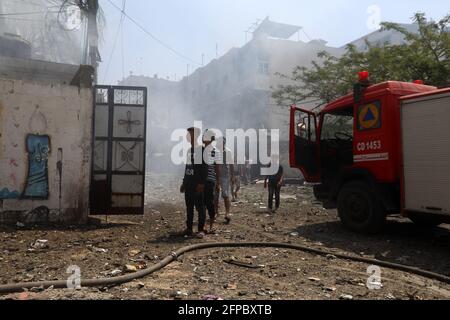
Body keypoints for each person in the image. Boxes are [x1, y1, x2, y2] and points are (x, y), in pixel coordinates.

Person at [180, 127, 207, 238]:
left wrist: (201, 183)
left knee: (200, 207)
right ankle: (189, 229)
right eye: (188, 134)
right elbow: (187, 168)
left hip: (197, 184)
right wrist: (184, 182)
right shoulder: (189, 150)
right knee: (189, 207)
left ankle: (200, 229)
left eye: (190, 134)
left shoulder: (202, 150)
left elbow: (205, 168)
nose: (188, 136)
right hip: (189, 184)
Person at [203, 129, 221, 233]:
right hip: (200, 180)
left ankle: (211, 224)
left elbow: (217, 169)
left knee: (209, 203)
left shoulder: (215, 152)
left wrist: (218, 183)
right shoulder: (200, 151)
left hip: (210, 180)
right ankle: (204, 224)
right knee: (201, 204)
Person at [215, 137, 235, 224]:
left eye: (222, 143)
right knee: (215, 196)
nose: (221, 144)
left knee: (225, 195)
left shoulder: (228, 152)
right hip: (215, 177)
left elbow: (231, 164)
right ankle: (216, 212)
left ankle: (227, 213)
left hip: (225, 176)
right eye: (219, 142)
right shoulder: (215, 152)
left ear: (224, 143)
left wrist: (232, 176)